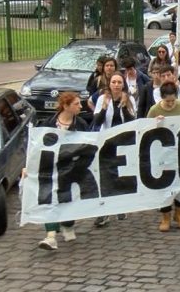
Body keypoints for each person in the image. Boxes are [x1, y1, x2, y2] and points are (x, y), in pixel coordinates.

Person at [37, 92, 88, 250]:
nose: (80, 106)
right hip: (50, 168)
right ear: (66, 106)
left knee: (67, 198)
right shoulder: (49, 123)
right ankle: (50, 235)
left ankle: (68, 224)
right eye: (77, 104)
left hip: (72, 168)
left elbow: (87, 145)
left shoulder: (81, 124)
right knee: (48, 198)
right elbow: (37, 146)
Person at [91, 73, 136, 226]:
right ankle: (104, 212)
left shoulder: (128, 99)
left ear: (123, 84)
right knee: (105, 176)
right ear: (109, 84)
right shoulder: (103, 99)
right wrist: (103, 108)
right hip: (106, 143)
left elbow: (132, 122)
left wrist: (123, 107)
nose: (116, 85)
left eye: (119, 82)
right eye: (114, 82)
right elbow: (97, 121)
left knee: (120, 176)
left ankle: (119, 206)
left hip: (122, 142)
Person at [148, 82, 180, 231]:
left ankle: (179, 212)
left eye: (173, 100)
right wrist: (155, 123)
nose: (171, 104)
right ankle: (165, 215)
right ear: (162, 98)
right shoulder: (154, 109)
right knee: (164, 185)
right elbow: (145, 130)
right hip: (162, 153)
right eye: (168, 101)